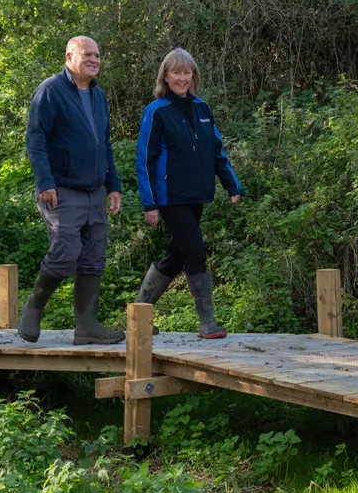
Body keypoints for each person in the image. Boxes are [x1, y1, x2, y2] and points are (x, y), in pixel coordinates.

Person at [19, 36, 125, 345]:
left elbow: (104, 144)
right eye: (87, 54)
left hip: (94, 191)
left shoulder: (98, 96)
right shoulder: (51, 91)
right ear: (69, 57)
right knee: (66, 251)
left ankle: (87, 327)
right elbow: (35, 139)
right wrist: (45, 181)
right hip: (61, 188)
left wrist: (113, 185)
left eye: (97, 54)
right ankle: (34, 307)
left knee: (93, 257)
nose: (94, 59)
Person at [134, 48, 243, 339]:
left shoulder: (202, 108)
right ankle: (207, 322)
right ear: (165, 77)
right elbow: (145, 158)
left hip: (197, 193)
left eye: (186, 73)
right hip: (170, 196)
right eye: (176, 73)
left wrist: (231, 184)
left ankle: (139, 312)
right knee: (195, 250)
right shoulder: (156, 111)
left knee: (177, 254)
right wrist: (150, 203)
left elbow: (217, 150)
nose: (182, 78)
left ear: (192, 76)